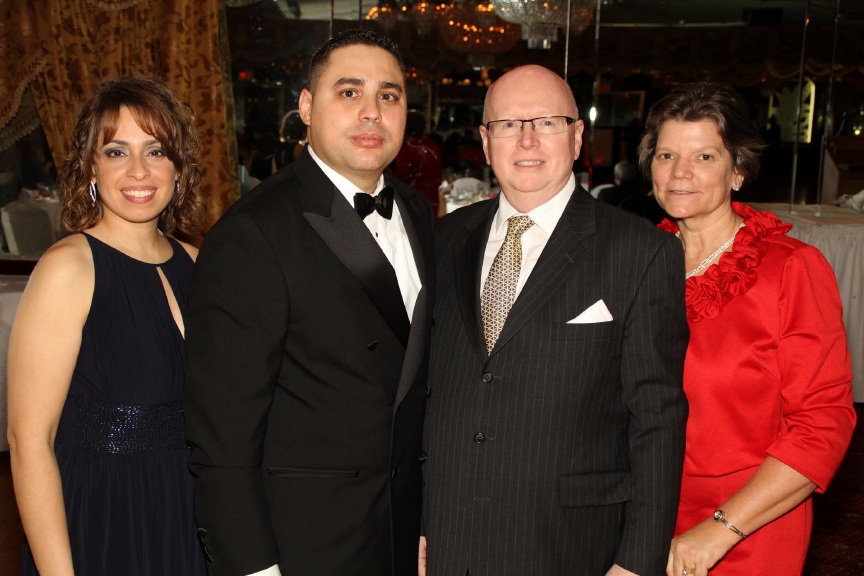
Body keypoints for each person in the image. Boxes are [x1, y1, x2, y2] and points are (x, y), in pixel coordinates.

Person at [183, 29, 434, 576]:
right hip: (306, 544)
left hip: (398, 535)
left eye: (388, 96)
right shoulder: (252, 235)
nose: (372, 113)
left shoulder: (417, 212)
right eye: (348, 93)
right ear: (305, 107)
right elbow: (222, 434)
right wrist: (253, 567)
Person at [422, 64, 689, 576]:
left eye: (546, 122)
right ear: (485, 139)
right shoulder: (443, 239)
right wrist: (417, 520)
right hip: (449, 539)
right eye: (508, 124)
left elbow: (657, 423)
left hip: (569, 547)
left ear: (576, 136)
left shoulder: (642, 252)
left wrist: (636, 562)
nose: (526, 139)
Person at [636, 82, 857, 576]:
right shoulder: (633, 261)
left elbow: (823, 424)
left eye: (705, 156)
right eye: (667, 154)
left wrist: (720, 530)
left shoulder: (790, 269)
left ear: (738, 171)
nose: (680, 173)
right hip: (641, 518)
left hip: (746, 526)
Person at [7, 77, 206, 575]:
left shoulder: (200, 265)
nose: (138, 170)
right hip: (102, 520)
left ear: (179, 167)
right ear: (91, 167)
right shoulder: (68, 268)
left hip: (189, 515)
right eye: (116, 151)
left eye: (156, 150)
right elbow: (29, 441)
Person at [390, 109, 443, 217]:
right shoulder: (432, 146)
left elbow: (399, 180)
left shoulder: (409, 151)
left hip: (413, 205)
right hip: (431, 201)